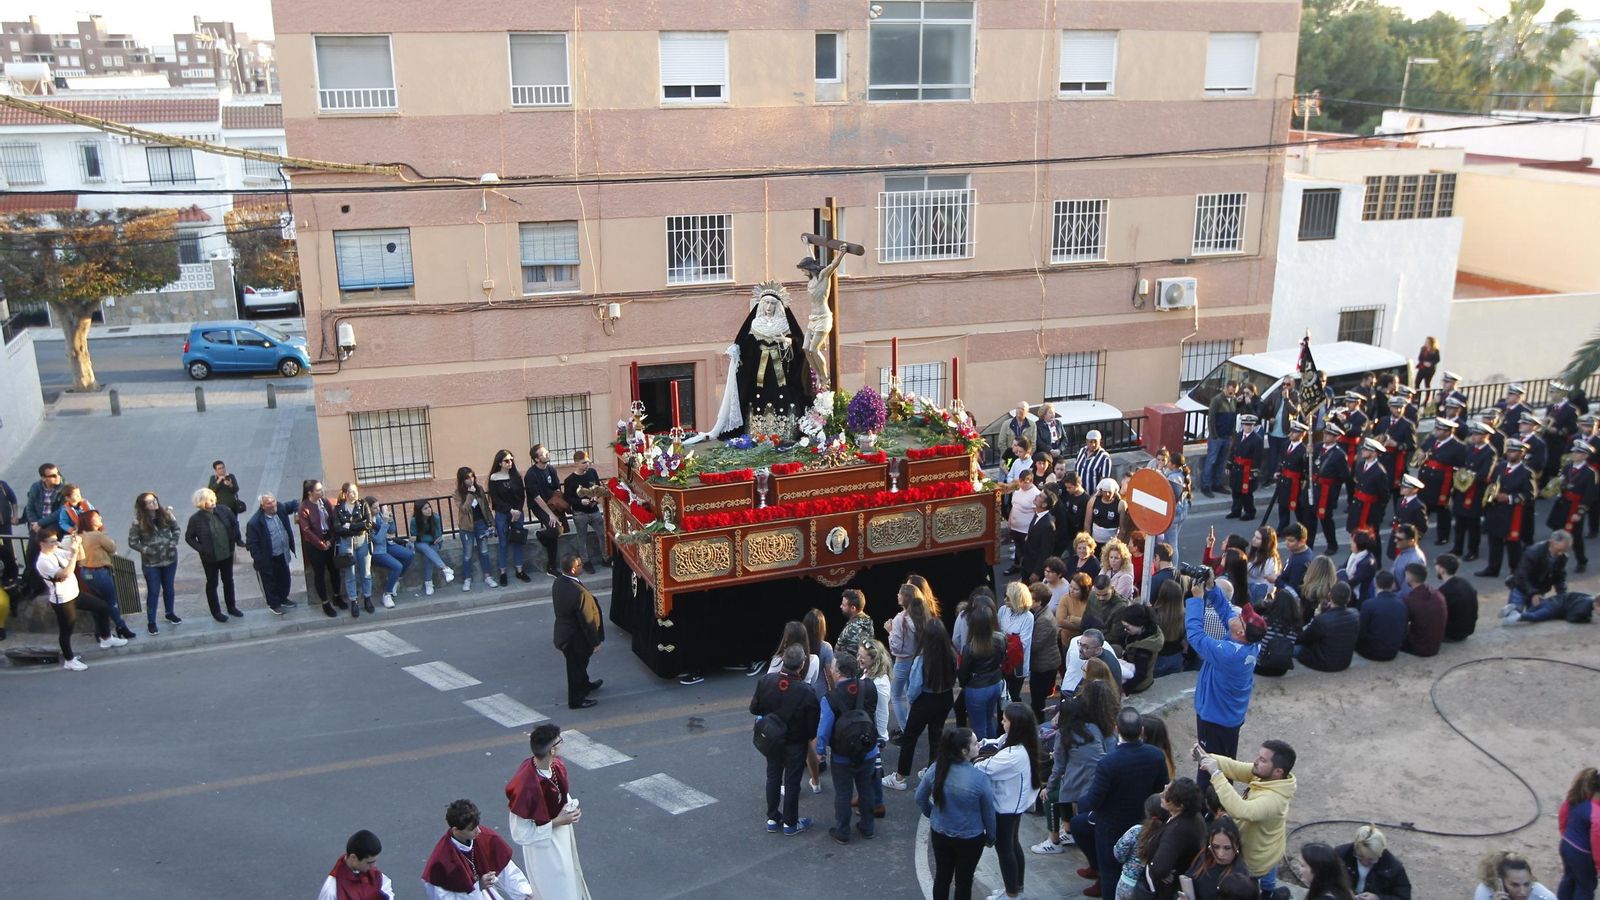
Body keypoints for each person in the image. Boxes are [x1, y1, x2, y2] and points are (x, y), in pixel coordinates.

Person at [1077, 707, 1171, 899]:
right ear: (1141, 730)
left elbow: (1094, 800)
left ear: (1116, 729)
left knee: (1110, 874)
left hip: (1112, 827)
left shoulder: (1108, 763)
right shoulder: (1155, 755)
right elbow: (1161, 788)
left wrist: (1081, 800)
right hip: (1144, 823)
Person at [1198, 740, 1298, 895]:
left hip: (1256, 860)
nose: (1256, 762)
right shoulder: (1268, 777)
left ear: (1278, 771)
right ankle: (1268, 891)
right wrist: (1207, 757)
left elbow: (1241, 810)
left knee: (1251, 888)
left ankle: (1265, 893)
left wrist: (1216, 774)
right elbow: (1236, 767)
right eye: (1259, 757)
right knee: (1268, 882)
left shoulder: (1274, 799)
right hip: (1269, 848)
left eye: (1263, 760)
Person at [1184, 570, 1262, 764]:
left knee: (1210, 768)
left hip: (1214, 719)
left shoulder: (1229, 653)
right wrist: (1211, 587)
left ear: (1241, 631)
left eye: (1241, 617)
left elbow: (1195, 636)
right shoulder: (1249, 642)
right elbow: (1226, 611)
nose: (1237, 614)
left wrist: (1197, 600)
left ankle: (1210, 794)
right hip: (1228, 718)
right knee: (1227, 763)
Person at [505, 723, 590, 899]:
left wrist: (570, 810)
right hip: (545, 850)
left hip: (562, 837)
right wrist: (558, 821)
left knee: (570, 880)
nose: (561, 744)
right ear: (552, 750)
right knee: (556, 889)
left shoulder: (555, 766)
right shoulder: (525, 786)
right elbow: (520, 834)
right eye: (559, 741)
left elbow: (561, 794)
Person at [917, 727, 997, 900]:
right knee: (964, 881)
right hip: (970, 838)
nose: (979, 746)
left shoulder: (937, 768)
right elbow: (988, 813)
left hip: (940, 832)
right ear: (964, 751)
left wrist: (932, 815)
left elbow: (920, 797)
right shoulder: (979, 778)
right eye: (975, 744)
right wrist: (991, 837)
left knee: (942, 876)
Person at [974, 703, 1043, 899]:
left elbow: (983, 767)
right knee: (1013, 845)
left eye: (1005, 720)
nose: (1001, 722)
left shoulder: (1013, 755)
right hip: (1014, 804)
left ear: (1016, 725)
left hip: (1006, 807)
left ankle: (1012, 894)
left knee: (1005, 849)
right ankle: (1016, 888)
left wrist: (976, 756)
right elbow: (996, 742)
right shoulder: (1019, 742)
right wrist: (982, 744)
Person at [1034, 690, 1115, 856]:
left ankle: (1053, 841)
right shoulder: (1094, 727)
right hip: (1099, 779)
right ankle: (1069, 831)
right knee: (1063, 791)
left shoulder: (1063, 734)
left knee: (1050, 798)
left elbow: (1058, 767)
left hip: (1081, 783)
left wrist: (1048, 787)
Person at [752, 643, 821, 835]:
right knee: (791, 782)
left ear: (783, 661)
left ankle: (772, 819)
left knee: (772, 777)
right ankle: (790, 823)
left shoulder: (765, 681)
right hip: (795, 743)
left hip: (772, 740)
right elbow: (812, 727)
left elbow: (754, 709)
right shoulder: (806, 691)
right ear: (801, 664)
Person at [886, 619, 958, 791]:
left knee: (910, 737)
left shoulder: (923, 658)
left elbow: (914, 687)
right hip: (945, 697)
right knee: (936, 735)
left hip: (925, 700)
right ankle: (932, 771)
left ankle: (900, 777)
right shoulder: (951, 653)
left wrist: (912, 701)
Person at [816, 652, 880, 844]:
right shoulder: (869, 686)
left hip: (842, 756)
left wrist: (820, 751)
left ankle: (843, 831)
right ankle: (868, 827)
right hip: (868, 749)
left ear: (838, 673)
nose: (832, 671)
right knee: (866, 789)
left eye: (833, 668)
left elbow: (824, 728)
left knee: (843, 793)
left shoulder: (831, 697)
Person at [36, 526, 115, 670]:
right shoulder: (43, 561)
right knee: (67, 630)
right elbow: (65, 573)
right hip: (63, 600)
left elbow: (80, 558)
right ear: (42, 544)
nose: (56, 543)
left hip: (74, 593)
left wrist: (77, 546)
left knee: (102, 607)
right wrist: (73, 555)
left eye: (56, 540)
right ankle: (69, 660)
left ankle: (106, 638)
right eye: (52, 541)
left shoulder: (56, 551)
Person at [422, 798, 533, 900]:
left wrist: (523, 894)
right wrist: (477, 886)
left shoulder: (486, 838)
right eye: (472, 829)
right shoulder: (441, 861)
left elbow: (506, 870)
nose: (479, 831)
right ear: (456, 830)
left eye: (477, 826)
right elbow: (443, 897)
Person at [73, 509, 137, 641]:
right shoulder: (97, 536)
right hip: (99, 571)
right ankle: (121, 627)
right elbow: (112, 548)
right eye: (97, 517)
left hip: (86, 572)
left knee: (97, 604)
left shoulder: (80, 536)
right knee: (111, 601)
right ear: (90, 521)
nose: (100, 518)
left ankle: (100, 632)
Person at [1479, 438, 1538, 578]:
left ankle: (1515, 570)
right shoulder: (1500, 467)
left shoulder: (1526, 472)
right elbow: (1493, 483)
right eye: (1509, 450)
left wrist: (1510, 498)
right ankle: (1493, 569)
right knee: (1494, 541)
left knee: (1513, 545)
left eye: (1514, 451)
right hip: (1495, 509)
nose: (1510, 453)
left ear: (1521, 454)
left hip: (1512, 512)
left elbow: (1529, 495)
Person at [184, 487, 245, 623]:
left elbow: (234, 524)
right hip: (210, 557)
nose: (212, 502)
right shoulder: (196, 519)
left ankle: (231, 607)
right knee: (212, 583)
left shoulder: (223, 510)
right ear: (201, 503)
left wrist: (237, 539)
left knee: (228, 580)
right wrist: (202, 549)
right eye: (208, 500)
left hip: (226, 553)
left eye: (212, 498)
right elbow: (189, 537)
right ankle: (216, 612)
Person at [552, 552, 604, 709]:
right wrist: (595, 642)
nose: (582, 566)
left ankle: (585, 684)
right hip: (575, 638)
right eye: (580, 565)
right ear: (574, 569)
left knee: (580, 664)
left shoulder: (560, 582)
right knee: (576, 667)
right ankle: (576, 699)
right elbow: (587, 621)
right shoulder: (579, 593)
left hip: (564, 632)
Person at [1142, 777, 1206, 900]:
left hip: (1166, 891)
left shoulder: (1177, 831)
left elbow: (1160, 869)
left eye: (1167, 795)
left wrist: (1158, 870)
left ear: (1179, 806)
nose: (1162, 794)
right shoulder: (1194, 816)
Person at [127, 492, 181, 634]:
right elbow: (132, 541)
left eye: (154, 500)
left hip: (169, 558)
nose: (154, 503)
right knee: (154, 591)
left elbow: (176, 529)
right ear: (144, 506)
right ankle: (151, 621)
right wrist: (146, 549)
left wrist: (173, 542)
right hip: (152, 563)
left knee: (169, 588)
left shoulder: (166, 515)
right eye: (150, 502)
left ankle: (170, 612)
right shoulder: (138, 521)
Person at [1546, 439, 1596, 574]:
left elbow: (1589, 494)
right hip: (1563, 503)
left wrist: (1580, 512)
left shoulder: (1589, 472)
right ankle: (1556, 560)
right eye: (1574, 452)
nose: (1574, 454)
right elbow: (1561, 481)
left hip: (1575, 505)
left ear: (1585, 455)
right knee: (1557, 532)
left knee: (1576, 536)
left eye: (1578, 453)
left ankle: (1581, 560)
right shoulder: (1568, 467)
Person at [797, 248, 846, 386]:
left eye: (803, 269)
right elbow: (812, 260)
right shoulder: (811, 280)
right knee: (806, 348)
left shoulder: (823, 277)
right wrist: (807, 245)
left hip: (824, 318)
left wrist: (842, 253)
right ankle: (817, 373)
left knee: (814, 349)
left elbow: (833, 265)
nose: (802, 272)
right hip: (813, 318)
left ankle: (824, 377)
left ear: (808, 268)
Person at [957, 605, 1005, 741]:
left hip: (976, 688)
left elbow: (963, 674)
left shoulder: (970, 648)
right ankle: (992, 751)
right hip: (995, 684)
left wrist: (965, 683)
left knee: (979, 727)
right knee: (989, 720)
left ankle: (982, 756)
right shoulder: (1000, 640)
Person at [245, 492, 299, 615]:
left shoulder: (280, 508)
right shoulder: (255, 523)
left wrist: (297, 514)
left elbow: (296, 503)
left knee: (285, 579)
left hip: (282, 553)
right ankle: (274, 604)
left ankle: (283, 598)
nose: (273, 505)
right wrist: (260, 559)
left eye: (274, 501)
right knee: (270, 583)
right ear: (263, 506)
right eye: (269, 503)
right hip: (268, 558)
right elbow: (252, 544)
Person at [1504, 531, 1574, 625]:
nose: (1562, 553)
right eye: (1562, 549)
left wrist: (1563, 596)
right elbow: (1522, 575)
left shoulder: (1562, 556)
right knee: (1511, 620)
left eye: (1565, 550)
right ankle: (1512, 610)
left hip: (1539, 589)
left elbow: (1560, 577)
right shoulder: (1533, 552)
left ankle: (1513, 611)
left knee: (1533, 618)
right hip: (1522, 588)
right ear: (1553, 542)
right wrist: (1534, 593)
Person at [1453, 422, 1499, 562]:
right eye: (1473, 434)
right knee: (1459, 520)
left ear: (1486, 436)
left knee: (1473, 523)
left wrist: (1468, 476)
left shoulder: (1490, 452)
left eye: (1477, 434)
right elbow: (1463, 464)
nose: (1473, 437)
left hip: (1476, 490)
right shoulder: (1471, 448)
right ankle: (1458, 547)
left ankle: (1473, 550)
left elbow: (1485, 474)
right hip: (1463, 488)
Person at [858, 638, 893, 819]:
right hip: (869, 731)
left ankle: (877, 804)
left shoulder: (879, 684)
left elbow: (881, 713)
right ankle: (868, 798)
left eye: (863, 656)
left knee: (872, 771)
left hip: (873, 734)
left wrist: (879, 738)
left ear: (874, 659)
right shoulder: (869, 673)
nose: (858, 659)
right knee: (869, 769)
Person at [1418, 418, 1467, 547]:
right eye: (1437, 429)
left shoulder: (1458, 447)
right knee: (1422, 506)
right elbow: (1422, 451)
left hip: (1442, 482)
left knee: (1442, 510)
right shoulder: (1432, 440)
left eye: (1440, 430)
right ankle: (1418, 531)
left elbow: (1461, 466)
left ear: (1448, 432)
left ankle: (1443, 536)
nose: (1436, 432)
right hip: (1426, 477)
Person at [487, 448, 531, 585]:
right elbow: (495, 498)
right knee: (503, 543)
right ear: (499, 462)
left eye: (511, 459)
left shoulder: (516, 476)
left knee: (518, 540)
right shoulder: (494, 478)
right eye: (506, 460)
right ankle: (503, 572)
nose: (510, 462)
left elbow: (521, 496)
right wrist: (510, 510)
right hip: (502, 513)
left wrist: (517, 510)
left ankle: (519, 570)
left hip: (517, 513)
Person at [299, 480, 343, 617]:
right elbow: (306, 530)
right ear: (310, 492)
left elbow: (333, 519)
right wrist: (320, 544)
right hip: (314, 546)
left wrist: (331, 540)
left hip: (329, 541)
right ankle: (325, 603)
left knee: (334, 571)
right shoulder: (304, 507)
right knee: (319, 574)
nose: (321, 491)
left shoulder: (324, 502)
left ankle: (337, 596)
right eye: (318, 490)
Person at [1335, 824, 1412, 900]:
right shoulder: (1340, 855)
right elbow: (1326, 882)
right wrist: (1344, 892)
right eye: (1360, 857)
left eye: (1371, 859)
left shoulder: (1393, 867)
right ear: (1355, 848)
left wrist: (1378, 898)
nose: (1365, 862)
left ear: (1380, 854)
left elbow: (1403, 897)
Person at [1114, 794, 1169, 900]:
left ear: (1147, 812)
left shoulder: (1135, 831)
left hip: (1126, 884)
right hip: (1149, 888)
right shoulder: (1167, 836)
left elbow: (1118, 853)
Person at [1297, 582, 1360, 673]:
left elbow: (1302, 639)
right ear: (1349, 598)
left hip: (1323, 664)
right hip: (1344, 662)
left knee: (1295, 648)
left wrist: (1316, 618)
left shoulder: (1322, 620)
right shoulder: (1356, 614)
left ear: (1329, 595)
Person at [1557, 767, 1600, 900]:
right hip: (1582, 853)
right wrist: (1599, 864)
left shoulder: (1577, 798)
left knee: (1569, 877)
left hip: (1566, 844)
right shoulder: (1596, 813)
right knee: (1585, 887)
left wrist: (1565, 834)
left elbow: (1563, 815)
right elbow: (1597, 839)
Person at [524, 444, 567, 576]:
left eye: (546, 452)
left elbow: (556, 487)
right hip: (539, 506)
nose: (547, 454)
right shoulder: (531, 475)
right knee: (554, 529)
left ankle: (551, 568)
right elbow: (536, 498)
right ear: (536, 459)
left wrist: (558, 500)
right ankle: (540, 534)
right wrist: (551, 515)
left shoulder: (551, 470)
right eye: (543, 454)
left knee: (562, 529)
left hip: (552, 503)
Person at [333, 483, 374, 617]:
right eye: (351, 492)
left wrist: (349, 526)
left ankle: (367, 598)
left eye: (355, 491)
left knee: (365, 572)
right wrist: (358, 525)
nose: (354, 494)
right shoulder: (339, 508)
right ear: (345, 494)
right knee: (350, 574)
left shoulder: (363, 505)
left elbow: (368, 524)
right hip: (346, 543)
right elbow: (337, 528)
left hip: (362, 541)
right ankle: (353, 601)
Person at [563, 451, 608, 574]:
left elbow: (598, 488)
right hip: (580, 514)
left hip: (594, 510)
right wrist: (579, 502)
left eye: (588, 461)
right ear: (576, 463)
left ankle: (606, 558)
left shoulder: (592, 473)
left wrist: (595, 498)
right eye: (584, 463)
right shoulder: (570, 480)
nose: (587, 465)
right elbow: (568, 498)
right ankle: (586, 562)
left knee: (603, 534)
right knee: (582, 539)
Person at [317, 829, 394, 900]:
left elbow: (388, 893)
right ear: (353, 858)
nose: (374, 866)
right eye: (369, 863)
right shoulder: (332, 891)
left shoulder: (377, 878)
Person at [1186, 817, 1251, 900]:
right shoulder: (1204, 857)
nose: (1220, 854)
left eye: (1227, 848)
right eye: (1215, 847)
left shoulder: (1241, 877)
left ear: (1237, 845)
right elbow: (1188, 878)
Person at [455, 466, 497, 591]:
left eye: (472, 476)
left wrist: (492, 523)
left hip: (481, 524)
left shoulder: (479, 489)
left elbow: (486, 507)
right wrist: (470, 494)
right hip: (466, 528)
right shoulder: (457, 493)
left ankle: (487, 576)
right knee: (467, 554)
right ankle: (467, 579)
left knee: (484, 551)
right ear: (462, 480)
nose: (471, 480)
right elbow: (464, 509)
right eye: (467, 478)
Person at [365, 498, 413, 608]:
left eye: (378, 506)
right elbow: (378, 539)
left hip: (387, 545)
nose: (378, 509)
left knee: (409, 555)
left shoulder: (379, 516)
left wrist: (390, 520)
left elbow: (392, 530)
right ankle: (386, 594)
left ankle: (395, 581)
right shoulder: (366, 522)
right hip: (376, 551)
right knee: (397, 566)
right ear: (368, 509)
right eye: (375, 508)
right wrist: (385, 523)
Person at [1354, 571, 1407, 662]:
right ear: (1393, 585)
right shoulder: (1401, 604)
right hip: (1393, 650)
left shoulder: (1368, 604)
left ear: (1376, 584)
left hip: (1372, 652)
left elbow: (1361, 632)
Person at [1315, 423, 1351, 553]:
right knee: (1309, 517)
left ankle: (1332, 544)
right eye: (1325, 433)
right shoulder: (1318, 447)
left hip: (1327, 490)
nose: (1325, 436)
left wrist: (1333, 487)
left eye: (1329, 434)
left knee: (1325, 519)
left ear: (1336, 437)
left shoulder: (1339, 454)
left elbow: (1345, 475)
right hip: (1314, 487)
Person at [1113, 604, 1163, 694]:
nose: (1125, 630)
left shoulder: (1144, 649)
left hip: (1137, 685)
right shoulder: (1148, 631)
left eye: (1127, 627)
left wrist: (1123, 690)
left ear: (1140, 625)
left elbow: (1141, 674)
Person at [1398, 563, 1446, 657]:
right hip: (1436, 643)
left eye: (1406, 575)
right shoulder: (1437, 594)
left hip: (1420, 648)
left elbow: (1401, 624)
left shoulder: (1411, 600)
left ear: (1410, 578)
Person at [1274, 420, 1313, 534]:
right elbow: (1281, 461)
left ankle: (1303, 528)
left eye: (1295, 432)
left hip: (1296, 483)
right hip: (1284, 479)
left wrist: (1308, 456)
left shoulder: (1303, 449)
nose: (1291, 434)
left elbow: (1307, 468)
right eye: (1291, 431)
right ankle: (1283, 526)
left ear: (1302, 434)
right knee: (1283, 505)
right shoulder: (1285, 445)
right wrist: (1278, 471)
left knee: (1298, 507)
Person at [1348, 439, 1391, 539]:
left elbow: (1384, 495)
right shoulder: (1360, 465)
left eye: (1366, 449)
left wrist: (1378, 511)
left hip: (1371, 509)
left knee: (1372, 537)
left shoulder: (1379, 472)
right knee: (1356, 533)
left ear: (1374, 453)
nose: (1362, 451)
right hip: (1358, 505)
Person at [410, 499, 455, 596]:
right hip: (421, 545)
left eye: (429, 507)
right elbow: (413, 538)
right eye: (425, 509)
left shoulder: (435, 518)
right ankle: (445, 568)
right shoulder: (414, 521)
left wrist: (421, 537)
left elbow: (437, 536)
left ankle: (428, 583)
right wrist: (423, 538)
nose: (428, 510)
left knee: (428, 556)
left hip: (435, 544)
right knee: (425, 548)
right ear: (419, 511)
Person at [1474, 849, 1559, 900]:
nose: (1523, 892)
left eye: (1527, 884)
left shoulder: (1546, 897)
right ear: (1501, 882)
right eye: (1515, 885)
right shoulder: (1485, 893)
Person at [1204, 381, 1240, 497]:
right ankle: (1206, 485)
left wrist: (1232, 434)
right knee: (1211, 461)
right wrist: (1214, 434)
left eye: (1233, 392)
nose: (1231, 394)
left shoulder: (1233, 400)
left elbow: (1233, 418)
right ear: (1225, 388)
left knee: (1222, 461)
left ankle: (1217, 484)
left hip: (1227, 436)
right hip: (1217, 437)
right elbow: (1211, 418)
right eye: (1230, 391)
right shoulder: (1217, 400)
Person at [1004, 469, 1042, 576]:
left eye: (1025, 482)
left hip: (1026, 529)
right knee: (1018, 548)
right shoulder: (1017, 490)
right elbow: (1014, 506)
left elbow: (1037, 514)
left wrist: (1031, 531)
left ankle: (1027, 571)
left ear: (1030, 481)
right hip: (1015, 527)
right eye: (1020, 481)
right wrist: (1010, 522)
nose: (1022, 484)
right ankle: (1016, 566)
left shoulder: (1036, 494)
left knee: (1026, 551)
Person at [1226, 415, 1264, 521]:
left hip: (1247, 469)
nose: (1247, 427)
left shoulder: (1257, 439)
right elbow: (1232, 450)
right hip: (1237, 467)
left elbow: (1257, 457)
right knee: (1235, 491)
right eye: (1246, 425)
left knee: (1246, 493)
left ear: (1253, 426)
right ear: (1242, 425)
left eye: (1250, 425)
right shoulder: (1238, 436)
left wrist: (1254, 472)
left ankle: (1250, 512)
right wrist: (1229, 464)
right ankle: (1236, 510)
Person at [1434, 553, 1478, 642]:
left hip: (1453, 634)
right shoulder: (1464, 583)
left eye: (1437, 566)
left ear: (1442, 569)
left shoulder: (1444, 591)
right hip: (1468, 629)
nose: (1435, 568)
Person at [1018, 490, 1057, 582]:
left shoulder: (1048, 525)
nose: (1036, 496)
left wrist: (1037, 572)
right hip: (1027, 563)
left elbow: (1045, 552)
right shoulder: (1037, 514)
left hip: (1034, 567)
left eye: (1040, 496)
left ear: (1044, 505)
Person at [1053, 473, 1092, 557]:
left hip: (1076, 536)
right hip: (1066, 534)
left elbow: (1081, 520)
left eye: (1069, 487)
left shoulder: (1085, 500)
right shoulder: (1069, 495)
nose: (1067, 489)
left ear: (1077, 485)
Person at [1341, 529, 1380, 607]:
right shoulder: (1354, 554)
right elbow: (1342, 567)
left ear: (1359, 544)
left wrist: (1340, 580)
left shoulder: (1367, 563)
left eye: (1353, 542)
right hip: (1350, 592)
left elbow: (1354, 581)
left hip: (1359, 597)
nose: (1350, 544)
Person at [835, 589, 875, 659]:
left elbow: (837, 652)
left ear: (853, 608)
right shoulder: (868, 622)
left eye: (843, 605)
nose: (840, 606)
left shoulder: (850, 629)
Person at [1075, 430, 1114, 499]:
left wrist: (1093, 498)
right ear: (1086, 441)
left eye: (1095, 441)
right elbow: (1076, 470)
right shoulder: (1082, 451)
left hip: (1092, 496)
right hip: (1078, 494)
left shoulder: (1104, 458)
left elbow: (1103, 482)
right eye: (1090, 442)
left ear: (1100, 441)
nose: (1093, 444)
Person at [1280, 524, 1315, 593]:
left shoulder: (1301, 562)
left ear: (1302, 541)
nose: (1286, 543)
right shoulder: (1296, 551)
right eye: (1286, 539)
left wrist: (1276, 581)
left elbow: (1293, 589)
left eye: (1291, 541)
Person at [1389, 521, 1425, 587]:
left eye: (1399, 539)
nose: (1395, 541)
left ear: (1411, 541)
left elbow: (1409, 588)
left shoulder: (1415, 560)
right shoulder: (1404, 551)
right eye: (1395, 537)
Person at [0, 477, 18, 589]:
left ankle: (12, 575)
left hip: (5, 524)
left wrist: (15, 516)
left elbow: (13, 500)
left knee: (8, 546)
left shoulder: (2, 485)